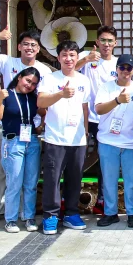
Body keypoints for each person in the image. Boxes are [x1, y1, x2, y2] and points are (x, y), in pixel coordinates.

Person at [0, 28, 52, 225]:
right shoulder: (8, 62)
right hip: (6, 126)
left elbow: (45, 103)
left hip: (30, 130)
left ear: (39, 49)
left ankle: (23, 214)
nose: (29, 48)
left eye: (33, 45)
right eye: (26, 44)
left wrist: (42, 124)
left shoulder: (44, 71)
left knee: (27, 177)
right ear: (19, 47)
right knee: (1, 172)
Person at [36, 40, 92, 235]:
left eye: (72, 55)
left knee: (75, 178)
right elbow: (41, 102)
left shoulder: (84, 80)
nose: (69, 59)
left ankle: (70, 213)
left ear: (77, 57)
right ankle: (51, 215)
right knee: (52, 178)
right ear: (58, 57)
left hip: (77, 139)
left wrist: (85, 131)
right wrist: (60, 94)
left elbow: (85, 107)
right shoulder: (50, 79)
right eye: (65, 55)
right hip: (55, 138)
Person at [94, 54, 133, 228]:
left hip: (131, 142)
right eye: (122, 68)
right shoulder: (106, 87)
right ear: (116, 69)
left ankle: (132, 213)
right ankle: (110, 213)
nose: (125, 71)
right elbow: (99, 109)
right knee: (109, 180)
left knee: (131, 180)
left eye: (129, 68)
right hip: (108, 141)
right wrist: (117, 100)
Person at [0, 67, 43, 233]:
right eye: (28, 81)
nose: (30, 85)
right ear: (19, 77)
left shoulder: (34, 97)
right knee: (14, 182)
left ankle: (29, 217)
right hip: (13, 141)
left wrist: (41, 126)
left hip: (32, 141)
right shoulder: (6, 94)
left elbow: (44, 111)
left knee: (31, 183)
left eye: (34, 84)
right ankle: (11, 220)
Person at [77, 25, 120, 215]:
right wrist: (86, 59)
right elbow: (69, 69)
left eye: (110, 41)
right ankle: (70, 200)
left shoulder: (118, 64)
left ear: (115, 44)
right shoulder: (87, 56)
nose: (106, 44)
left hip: (109, 118)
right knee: (78, 158)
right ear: (97, 42)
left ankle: (102, 200)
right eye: (103, 40)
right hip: (87, 117)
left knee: (105, 161)